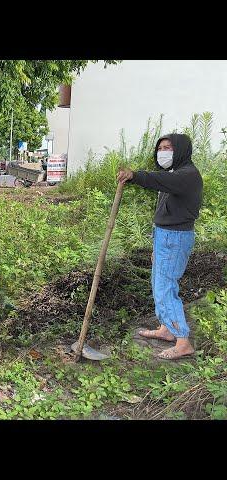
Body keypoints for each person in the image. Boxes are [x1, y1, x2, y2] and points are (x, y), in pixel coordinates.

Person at [117, 133, 203, 360]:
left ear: (181, 150)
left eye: (168, 148)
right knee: (158, 283)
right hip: (164, 236)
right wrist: (156, 246)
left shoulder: (188, 175)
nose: (162, 152)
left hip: (175, 237)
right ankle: (167, 329)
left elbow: (154, 180)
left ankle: (183, 341)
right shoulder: (174, 174)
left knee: (166, 287)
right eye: (160, 148)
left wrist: (134, 176)